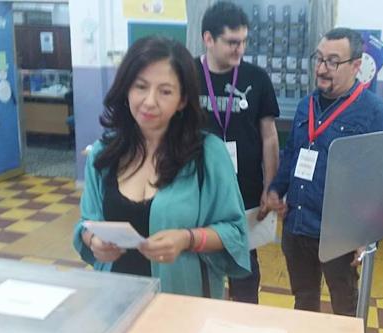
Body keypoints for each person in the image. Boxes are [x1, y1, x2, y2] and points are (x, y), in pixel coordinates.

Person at [73, 36, 250, 299]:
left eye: (165, 91)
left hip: (182, 304)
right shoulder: (104, 154)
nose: (149, 101)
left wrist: (187, 239)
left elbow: (235, 233)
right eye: (140, 87)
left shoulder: (207, 154)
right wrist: (93, 241)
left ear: (181, 100)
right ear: (126, 89)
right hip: (113, 303)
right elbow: (87, 223)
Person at [266, 28, 383, 316]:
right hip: (297, 227)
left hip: (340, 235)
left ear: (356, 65)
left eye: (333, 62)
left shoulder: (375, 113)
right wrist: (275, 190)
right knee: (304, 301)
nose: (322, 69)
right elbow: (292, 158)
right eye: (319, 59)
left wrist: (368, 234)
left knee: (344, 309)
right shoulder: (305, 105)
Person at [196, 1, 280, 304]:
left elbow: (269, 136)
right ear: (209, 39)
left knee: (245, 270)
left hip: (245, 191)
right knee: (201, 264)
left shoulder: (256, 79)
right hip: (200, 190)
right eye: (232, 42)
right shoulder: (187, 75)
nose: (239, 49)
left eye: (243, 41)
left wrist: (270, 186)